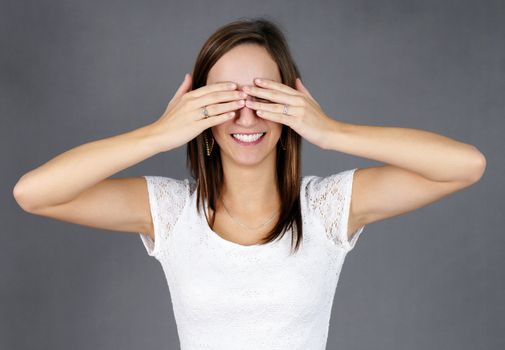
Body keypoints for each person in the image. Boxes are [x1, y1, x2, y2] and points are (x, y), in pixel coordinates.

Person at [13, 17, 486, 350]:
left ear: (288, 105)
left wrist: (330, 131)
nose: (246, 115)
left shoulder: (327, 208)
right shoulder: (171, 212)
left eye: (263, 95)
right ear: (200, 110)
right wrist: (157, 134)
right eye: (225, 98)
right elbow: (33, 193)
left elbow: (464, 165)